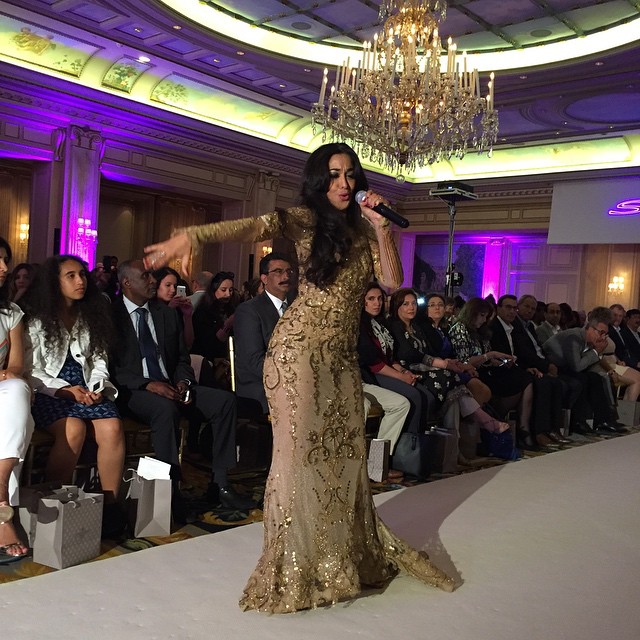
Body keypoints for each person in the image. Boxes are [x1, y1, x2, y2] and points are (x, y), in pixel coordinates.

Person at [144, 142, 456, 613]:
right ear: (318, 180)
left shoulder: (365, 230)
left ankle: (338, 556)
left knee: (344, 458)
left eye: (350, 174)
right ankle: (292, 566)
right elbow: (254, 225)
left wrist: (381, 226)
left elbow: (392, 281)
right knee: (298, 459)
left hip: (341, 361)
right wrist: (195, 234)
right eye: (333, 174)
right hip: (298, 354)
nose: (343, 183)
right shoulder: (307, 219)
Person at [109, 260, 251, 511]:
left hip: (170, 386)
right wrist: (148, 384)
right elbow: (111, 368)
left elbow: (182, 358)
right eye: (145, 276)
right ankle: (170, 493)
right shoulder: (111, 316)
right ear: (127, 282)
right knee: (165, 409)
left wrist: (183, 381)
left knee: (225, 402)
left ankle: (220, 485)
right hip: (133, 390)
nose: (152, 280)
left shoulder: (164, 313)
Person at [22, 255, 125, 523]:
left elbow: (99, 358)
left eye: (82, 274)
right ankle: (54, 507)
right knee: (73, 429)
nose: (80, 281)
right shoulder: (36, 319)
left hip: (86, 387)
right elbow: (31, 370)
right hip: (49, 391)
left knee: (112, 427)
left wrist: (97, 386)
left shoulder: (90, 314)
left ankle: (110, 508)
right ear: (54, 282)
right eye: (71, 276)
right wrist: (65, 390)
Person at [0, 238, 34, 561]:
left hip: (3, 391)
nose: (4, 268)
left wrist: (8, 376)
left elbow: (15, 367)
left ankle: (0, 503)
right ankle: (3, 511)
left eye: (5, 260)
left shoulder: (11, 313)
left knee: (19, 390)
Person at [542, 306, 622, 434]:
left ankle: (603, 420)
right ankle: (578, 421)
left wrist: (596, 352)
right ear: (590, 328)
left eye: (605, 334)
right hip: (552, 368)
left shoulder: (588, 340)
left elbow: (584, 363)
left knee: (596, 377)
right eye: (600, 333)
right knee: (583, 379)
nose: (603, 337)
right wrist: (596, 351)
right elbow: (577, 366)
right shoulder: (574, 337)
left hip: (566, 367)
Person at [233, 252, 293, 413]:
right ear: (264, 278)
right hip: (260, 385)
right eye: (278, 271)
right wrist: (291, 376)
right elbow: (253, 361)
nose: (286, 276)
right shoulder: (249, 310)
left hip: (295, 380)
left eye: (289, 271)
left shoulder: (297, 307)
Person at [191, 271, 236, 362]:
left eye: (230, 290)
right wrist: (227, 325)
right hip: (206, 359)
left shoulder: (231, 309)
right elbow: (208, 342)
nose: (228, 294)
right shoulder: (203, 311)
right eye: (223, 290)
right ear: (214, 289)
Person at [152, 266, 194, 348]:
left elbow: (188, 342)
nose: (173, 290)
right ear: (156, 285)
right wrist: (169, 310)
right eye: (168, 285)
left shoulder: (177, 308)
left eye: (175, 286)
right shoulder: (149, 308)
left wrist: (188, 316)